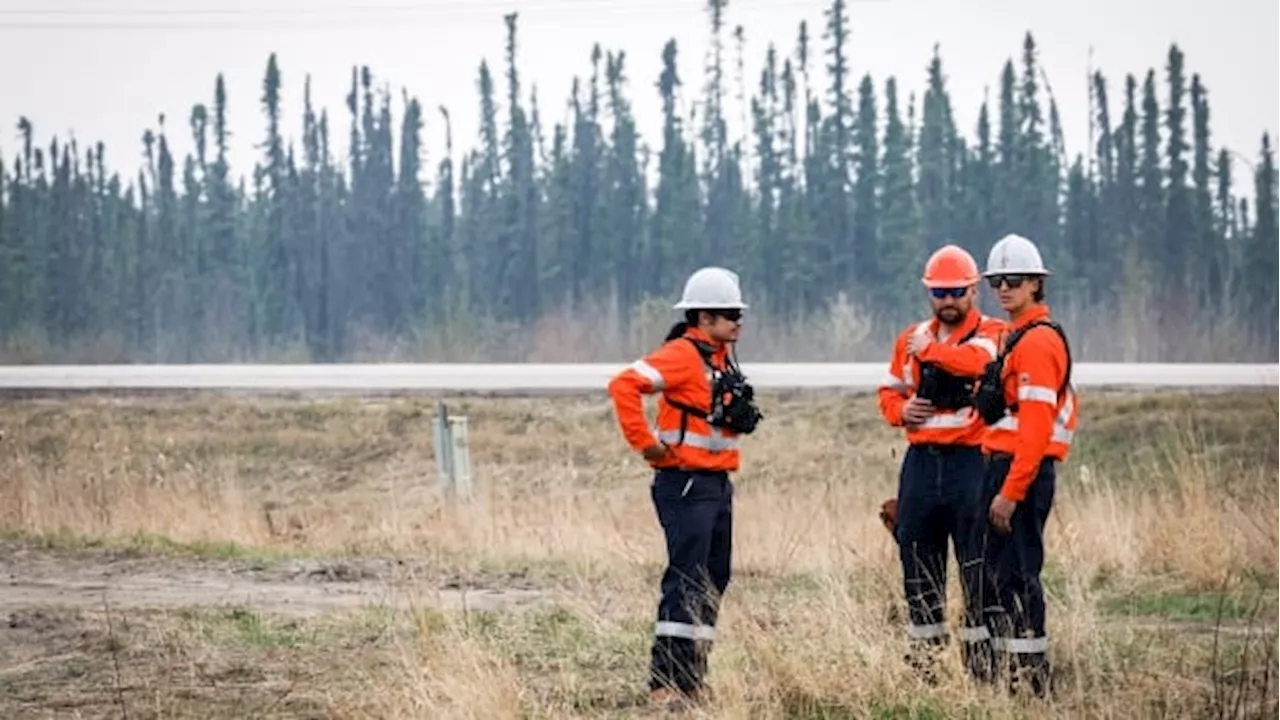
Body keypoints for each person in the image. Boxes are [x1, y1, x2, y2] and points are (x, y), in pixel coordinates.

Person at [606, 266, 763, 708]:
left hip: (715, 483)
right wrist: (647, 445)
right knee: (686, 578)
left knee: (714, 577)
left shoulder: (719, 358)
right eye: (730, 313)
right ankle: (664, 682)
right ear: (703, 317)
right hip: (685, 484)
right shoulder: (681, 355)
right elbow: (624, 385)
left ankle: (693, 677)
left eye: (739, 313)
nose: (738, 321)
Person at [877, 244, 1007, 684]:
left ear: (974, 290)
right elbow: (888, 391)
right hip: (921, 464)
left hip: (972, 464)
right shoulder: (910, 338)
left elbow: (979, 361)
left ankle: (982, 673)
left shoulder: (993, 331)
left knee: (978, 567)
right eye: (939, 293)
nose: (947, 301)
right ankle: (926, 671)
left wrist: (930, 351)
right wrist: (901, 411)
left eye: (956, 292)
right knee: (917, 565)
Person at [972, 233, 1078, 697]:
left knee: (1017, 575)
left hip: (1021, 473)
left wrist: (1010, 492)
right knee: (1001, 576)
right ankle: (1013, 676)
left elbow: (1034, 430)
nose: (1003, 289)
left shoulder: (1035, 344)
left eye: (1013, 280)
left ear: (1037, 284)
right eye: (997, 281)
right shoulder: (1017, 339)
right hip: (1008, 468)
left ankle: (1031, 680)